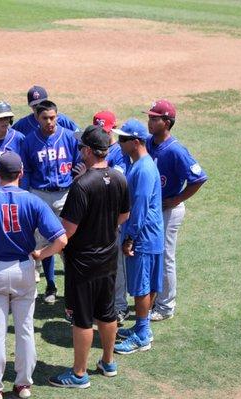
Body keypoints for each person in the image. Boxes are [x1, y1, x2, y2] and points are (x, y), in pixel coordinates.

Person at [0, 152, 67, 399]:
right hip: (24, 269)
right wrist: (41, 253)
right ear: (20, 173)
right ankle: (23, 384)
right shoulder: (33, 201)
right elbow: (61, 239)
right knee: (25, 329)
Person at [49, 126, 129, 389]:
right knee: (107, 313)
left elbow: (68, 230)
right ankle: (108, 362)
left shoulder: (82, 185)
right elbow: (123, 217)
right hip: (108, 258)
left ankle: (79, 374)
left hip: (83, 263)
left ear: (87, 150)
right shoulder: (118, 178)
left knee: (83, 318)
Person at [144, 100, 208, 321]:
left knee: (164, 257)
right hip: (151, 210)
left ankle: (165, 306)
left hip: (168, 212)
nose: (150, 121)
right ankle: (154, 300)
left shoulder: (176, 150)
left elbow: (198, 178)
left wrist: (177, 198)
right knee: (152, 255)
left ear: (167, 122)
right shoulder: (147, 143)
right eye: (150, 117)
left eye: (155, 118)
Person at [20, 100, 81, 304]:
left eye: (53, 117)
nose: (50, 122)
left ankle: (73, 288)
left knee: (69, 242)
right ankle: (50, 285)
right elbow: (26, 171)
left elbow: (78, 164)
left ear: (58, 116)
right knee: (44, 241)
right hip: (40, 194)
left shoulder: (69, 137)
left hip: (65, 194)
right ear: (37, 118)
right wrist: (26, 196)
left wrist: (76, 186)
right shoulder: (29, 141)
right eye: (45, 118)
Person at [112, 121, 164, 354]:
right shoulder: (143, 164)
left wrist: (130, 237)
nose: (119, 143)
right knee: (148, 283)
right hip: (151, 233)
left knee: (142, 286)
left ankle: (142, 335)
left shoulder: (142, 169)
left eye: (123, 139)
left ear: (135, 142)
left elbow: (140, 205)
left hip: (142, 235)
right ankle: (142, 327)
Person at [91, 111, 130, 324]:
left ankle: (120, 306)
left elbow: (117, 184)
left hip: (115, 216)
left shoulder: (119, 153)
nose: (103, 136)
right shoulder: (98, 151)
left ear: (113, 129)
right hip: (99, 217)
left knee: (117, 263)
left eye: (105, 131)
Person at [12, 85, 79, 137]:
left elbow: (79, 136)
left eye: (41, 104)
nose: (39, 108)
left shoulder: (61, 120)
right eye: (35, 106)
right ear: (30, 106)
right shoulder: (22, 125)